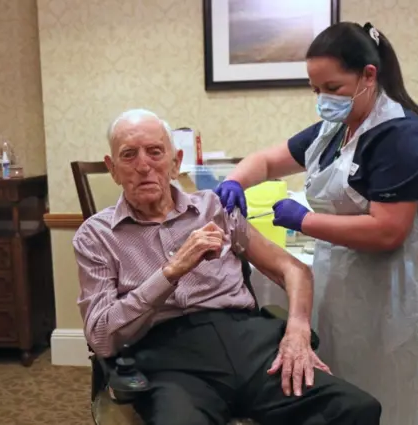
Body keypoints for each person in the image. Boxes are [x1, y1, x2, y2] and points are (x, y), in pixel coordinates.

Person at [214, 22, 418, 425]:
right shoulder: (335, 128)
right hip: (367, 263)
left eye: (333, 88)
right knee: (361, 369)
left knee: (413, 377)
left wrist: (304, 220)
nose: (322, 99)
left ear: (368, 76)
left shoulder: (403, 136)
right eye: (314, 88)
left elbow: (388, 231)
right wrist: (234, 180)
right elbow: (269, 161)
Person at [73, 109, 381, 425]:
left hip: (249, 346)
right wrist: (171, 271)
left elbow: (293, 269)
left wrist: (298, 330)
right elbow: (100, 336)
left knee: (356, 409)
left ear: (175, 162)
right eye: (128, 155)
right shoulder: (96, 236)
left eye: (155, 152)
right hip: (170, 361)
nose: (143, 165)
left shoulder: (215, 208)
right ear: (113, 169)